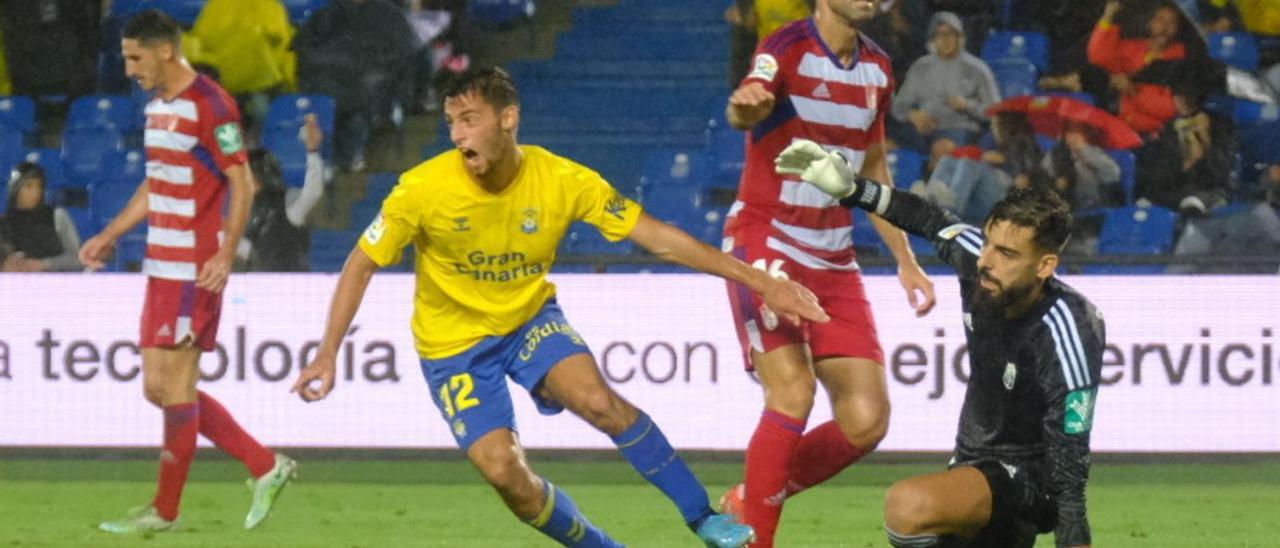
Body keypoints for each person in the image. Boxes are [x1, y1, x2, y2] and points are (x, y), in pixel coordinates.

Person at [290, 67, 830, 548]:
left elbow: (659, 237)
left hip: (529, 321)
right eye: (452, 122)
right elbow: (360, 263)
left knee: (599, 401)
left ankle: (702, 518)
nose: (457, 136)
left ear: (508, 118)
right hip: (453, 348)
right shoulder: (421, 190)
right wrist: (327, 352)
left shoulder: (563, 180)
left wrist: (759, 279)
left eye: (470, 120)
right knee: (507, 475)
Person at [776, 138, 1104, 548]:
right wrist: (853, 189)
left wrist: (1072, 530)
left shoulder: (1068, 326)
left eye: (1006, 253)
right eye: (988, 242)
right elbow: (929, 218)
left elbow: (1071, 444)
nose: (987, 259)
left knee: (908, 505)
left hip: (1034, 480)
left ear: (1045, 265)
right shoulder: (977, 262)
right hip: (971, 466)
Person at [719, 1, 937, 546]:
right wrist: (746, 106)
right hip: (768, 240)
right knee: (793, 391)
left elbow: (873, 166)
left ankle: (750, 498)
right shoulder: (784, 46)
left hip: (835, 257)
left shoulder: (879, 68)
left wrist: (905, 259)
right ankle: (757, 538)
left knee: (867, 420)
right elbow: (748, 105)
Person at [79, 10, 295, 534]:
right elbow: (156, 185)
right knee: (158, 387)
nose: (129, 69)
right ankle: (266, 464)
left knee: (175, 388)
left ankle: (165, 512)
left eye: (136, 57)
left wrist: (224, 255)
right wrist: (111, 234)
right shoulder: (157, 109)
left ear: (166, 51)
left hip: (193, 268)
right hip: (161, 263)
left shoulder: (211, 105)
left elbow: (241, 184)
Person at [889, 11, 1001, 152]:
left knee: (943, 147)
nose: (945, 39)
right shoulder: (920, 67)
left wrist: (967, 105)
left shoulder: (977, 69)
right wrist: (914, 115)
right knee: (883, 145)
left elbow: (995, 112)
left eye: (950, 34)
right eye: (939, 35)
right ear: (932, 40)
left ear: (960, 37)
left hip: (959, 129)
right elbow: (898, 107)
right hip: (922, 128)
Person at [239, 114, 325, 272]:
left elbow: (313, 192)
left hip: (290, 283)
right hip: (258, 283)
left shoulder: (287, 202)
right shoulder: (252, 209)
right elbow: (249, 249)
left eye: (247, 176)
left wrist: (312, 152)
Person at [1087, 1, 1188, 135]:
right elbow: (1097, 55)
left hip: (1155, 137)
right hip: (1121, 129)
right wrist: (1108, 16)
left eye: (1172, 22)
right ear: (1149, 23)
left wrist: (1133, 89)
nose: (1165, 27)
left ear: (1178, 28)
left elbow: (1172, 107)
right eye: (1160, 20)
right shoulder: (1134, 48)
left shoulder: (1182, 57)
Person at [0, 162, 83, 272]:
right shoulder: (3, 223)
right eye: (28, 186)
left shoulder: (57, 216)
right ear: (15, 189)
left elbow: (78, 259)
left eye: (39, 187)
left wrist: (44, 264)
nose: (35, 192)